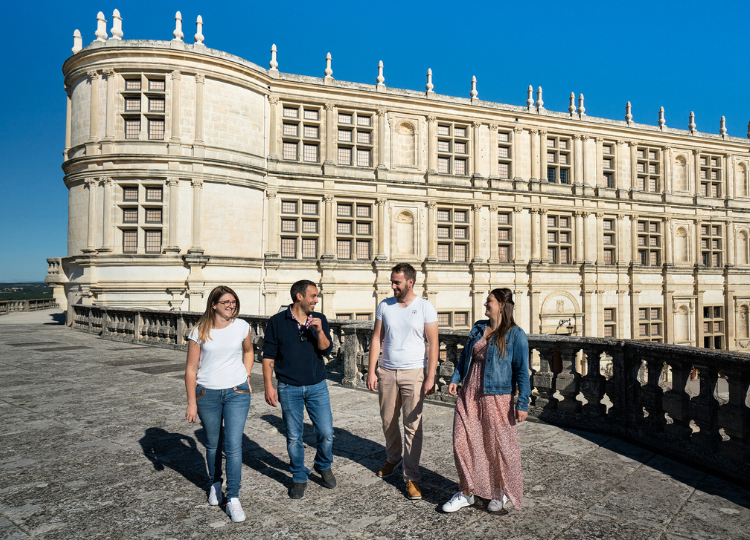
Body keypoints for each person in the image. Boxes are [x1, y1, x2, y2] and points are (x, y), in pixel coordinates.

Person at [441, 288, 530, 513]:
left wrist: (522, 403)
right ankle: (466, 492)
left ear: (501, 304)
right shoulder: (479, 327)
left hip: (497, 397)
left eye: (489, 301)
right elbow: (465, 356)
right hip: (470, 391)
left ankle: (498, 492)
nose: (485, 305)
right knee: (461, 440)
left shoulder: (516, 334)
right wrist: (456, 377)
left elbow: (522, 371)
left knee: (496, 447)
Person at [367, 263, 439, 500]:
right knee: (388, 421)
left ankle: (412, 477)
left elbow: (433, 343)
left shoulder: (425, 307)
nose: (393, 286)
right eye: (392, 281)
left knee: (412, 427)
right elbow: (377, 339)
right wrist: (371, 371)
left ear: (410, 282)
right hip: (387, 371)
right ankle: (393, 457)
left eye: (397, 282)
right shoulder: (384, 306)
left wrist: (430, 376)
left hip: (413, 373)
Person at [184, 286, 253, 523]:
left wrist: (246, 376)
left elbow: (249, 351)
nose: (231, 305)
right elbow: (191, 370)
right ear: (213, 304)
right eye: (225, 302)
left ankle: (232, 497)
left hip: (237, 392)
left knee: (233, 446)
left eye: (233, 301)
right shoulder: (198, 331)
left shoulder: (242, 326)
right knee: (213, 444)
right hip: (207, 394)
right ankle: (215, 483)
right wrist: (191, 402)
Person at [262, 280, 336, 499]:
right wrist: (268, 385)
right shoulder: (277, 321)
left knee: (326, 432)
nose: (316, 300)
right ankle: (298, 477)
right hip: (288, 387)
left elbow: (326, 349)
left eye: (317, 296)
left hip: (317, 385)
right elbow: (268, 355)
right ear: (299, 297)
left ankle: (322, 465)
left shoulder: (319, 319)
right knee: (294, 436)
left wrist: (320, 330)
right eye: (313, 296)